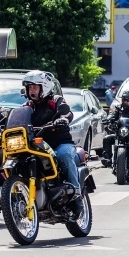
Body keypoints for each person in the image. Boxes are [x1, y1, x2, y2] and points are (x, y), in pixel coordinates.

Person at [22, 70, 83, 220]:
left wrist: (62, 119)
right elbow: (17, 120)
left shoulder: (56, 100)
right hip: (37, 146)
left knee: (63, 156)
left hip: (60, 143)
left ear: (44, 87)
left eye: (35, 87)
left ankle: (76, 194)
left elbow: (68, 113)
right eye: (30, 88)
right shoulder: (26, 107)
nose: (32, 91)